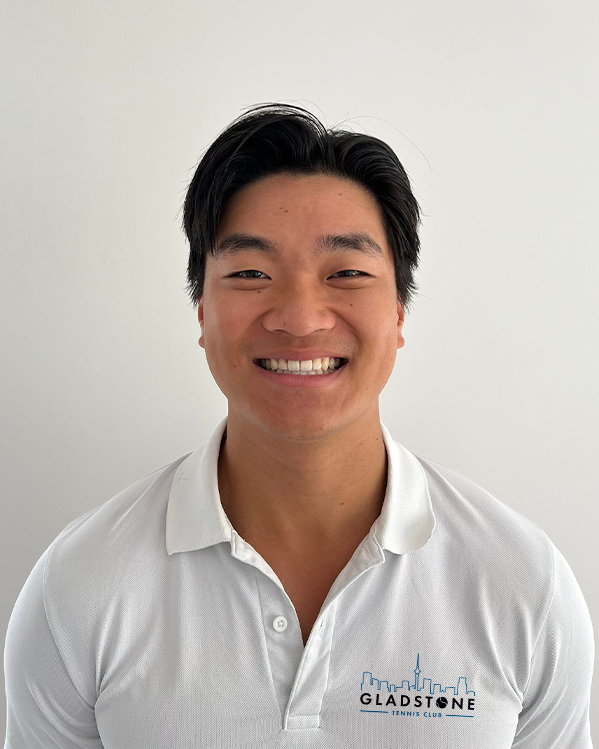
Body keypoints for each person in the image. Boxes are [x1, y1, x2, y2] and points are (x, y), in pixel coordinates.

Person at [4, 103, 594, 748]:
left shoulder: (522, 585)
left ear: (399, 312)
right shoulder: (81, 585)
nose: (300, 318)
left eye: (347, 273)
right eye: (251, 274)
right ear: (201, 311)